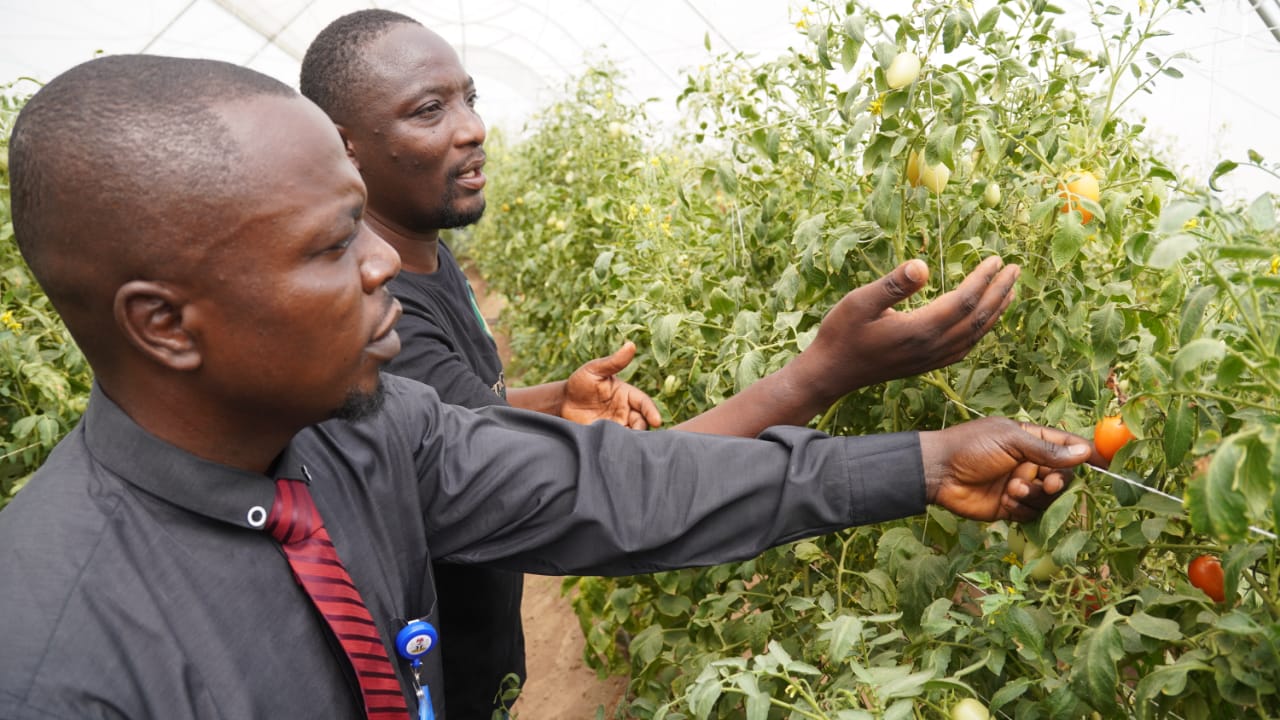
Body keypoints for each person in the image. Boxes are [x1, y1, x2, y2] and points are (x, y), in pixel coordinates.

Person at [0, 54, 1096, 720]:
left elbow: (619, 484)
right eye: (332, 246)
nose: (381, 264)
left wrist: (922, 461)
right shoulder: (56, 666)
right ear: (164, 324)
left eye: (362, 225)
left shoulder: (364, 436)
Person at [299, 10, 1026, 716]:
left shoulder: (426, 259)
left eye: (470, 98)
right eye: (430, 110)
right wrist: (827, 373)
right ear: (342, 148)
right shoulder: (377, 329)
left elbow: (448, 421)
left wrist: (550, 402)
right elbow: (617, 496)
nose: (472, 128)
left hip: (472, 668)